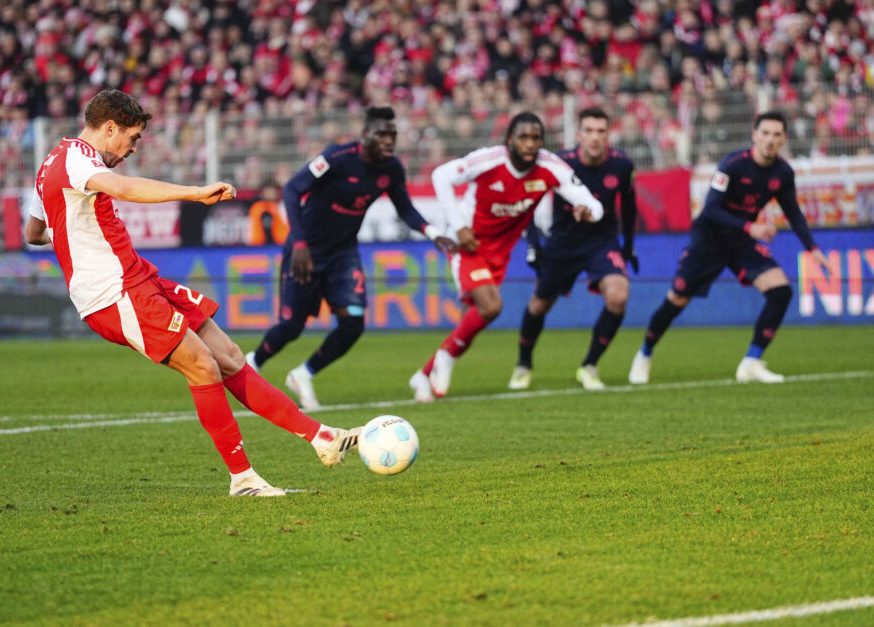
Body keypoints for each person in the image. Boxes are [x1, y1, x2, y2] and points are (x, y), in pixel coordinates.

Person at [24, 89, 360, 498]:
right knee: (203, 366)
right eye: (131, 138)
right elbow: (124, 188)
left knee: (230, 357)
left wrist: (65, 233)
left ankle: (321, 437)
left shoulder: (50, 164)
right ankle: (243, 480)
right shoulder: (80, 159)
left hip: (140, 279)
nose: (131, 149)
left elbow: (33, 233)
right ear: (109, 128)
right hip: (113, 293)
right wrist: (195, 192)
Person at [246, 106, 455, 410]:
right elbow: (292, 189)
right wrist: (300, 243)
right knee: (292, 327)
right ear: (365, 135)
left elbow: (405, 209)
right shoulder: (336, 158)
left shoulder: (392, 169)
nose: (388, 140)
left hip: (343, 253)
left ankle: (303, 374)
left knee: (353, 324)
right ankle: (253, 362)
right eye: (382, 134)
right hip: (306, 250)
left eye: (392, 135)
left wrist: (433, 232)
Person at [409, 112, 604, 403]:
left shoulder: (550, 167)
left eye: (536, 138)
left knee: (470, 322)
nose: (530, 144)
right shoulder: (489, 160)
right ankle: (446, 358)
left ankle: (423, 375)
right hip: (470, 244)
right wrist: (459, 226)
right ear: (509, 140)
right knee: (491, 306)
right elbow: (441, 176)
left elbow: (592, 204)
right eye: (523, 137)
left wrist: (589, 213)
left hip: (500, 253)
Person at [628, 111, 830, 385]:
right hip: (709, 239)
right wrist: (751, 228)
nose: (770, 140)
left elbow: (793, 212)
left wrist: (812, 247)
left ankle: (751, 362)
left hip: (740, 242)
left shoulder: (782, 173)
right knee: (676, 300)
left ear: (784, 139)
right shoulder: (732, 165)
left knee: (780, 291)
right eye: (765, 133)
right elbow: (710, 209)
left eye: (776, 135)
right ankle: (644, 354)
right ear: (754, 135)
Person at [508, 107, 637, 392]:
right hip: (563, 243)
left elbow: (629, 207)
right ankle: (523, 364)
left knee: (618, 296)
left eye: (601, 131)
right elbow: (527, 203)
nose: (595, 137)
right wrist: (532, 245)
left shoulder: (622, 165)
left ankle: (589, 366)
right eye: (589, 131)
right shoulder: (558, 164)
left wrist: (628, 247)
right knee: (538, 305)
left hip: (601, 242)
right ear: (578, 134)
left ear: (608, 134)